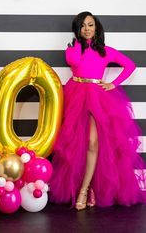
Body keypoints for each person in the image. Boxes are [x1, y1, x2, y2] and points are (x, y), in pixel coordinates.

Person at [49, 11, 146, 210]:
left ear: (96, 28)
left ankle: (84, 189)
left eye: (91, 25)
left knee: (94, 143)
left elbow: (130, 65)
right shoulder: (72, 49)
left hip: (97, 97)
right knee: (75, 146)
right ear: (77, 29)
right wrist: (77, 42)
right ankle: (89, 186)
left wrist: (113, 83)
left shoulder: (105, 51)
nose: (87, 28)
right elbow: (74, 62)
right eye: (83, 25)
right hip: (76, 95)